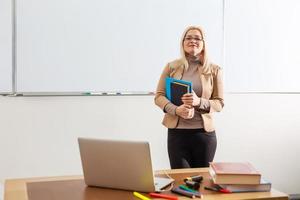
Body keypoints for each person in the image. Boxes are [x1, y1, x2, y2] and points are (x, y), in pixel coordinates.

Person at [154, 26, 224, 169]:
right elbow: (159, 96)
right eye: (189, 38)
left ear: (204, 44)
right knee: (181, 182)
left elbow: (219, 103)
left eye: (197, 38)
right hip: (177, 135)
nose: (193, 41)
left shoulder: (214, 70)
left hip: (204, 136)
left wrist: (199, 102)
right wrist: (176, 110)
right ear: (183, 42)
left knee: (202, 182)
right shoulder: (171, 67)